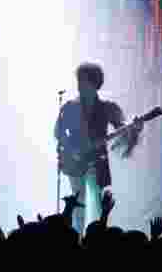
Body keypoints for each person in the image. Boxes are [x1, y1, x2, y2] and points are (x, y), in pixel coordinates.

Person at [54, 62, 142, 233]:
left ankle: (96, 241)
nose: (79, 86)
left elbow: (122, 128)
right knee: (78, 207)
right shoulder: (70, 107)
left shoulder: (107, 108)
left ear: (94, 84)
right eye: (78, 81)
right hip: (75, 163)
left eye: (83, 81)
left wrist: (135, 129)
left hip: (97, 163)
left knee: (97, 206)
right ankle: (75, 240)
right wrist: (72, 149)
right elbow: (58, 132)